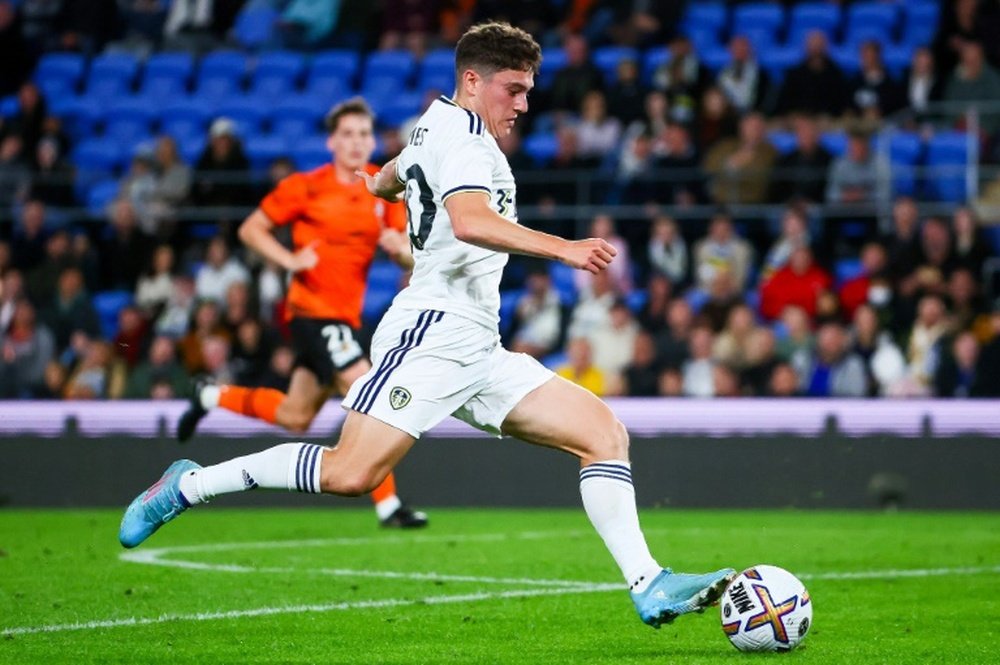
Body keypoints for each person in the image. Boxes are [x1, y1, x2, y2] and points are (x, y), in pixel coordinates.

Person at [120, 22, 734, 628]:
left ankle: (648, 583)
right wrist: (564, 248)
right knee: (351, 473)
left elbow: (391, 175)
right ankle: (189, 485)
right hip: (431, 331)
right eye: (513, 89)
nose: (524, 104)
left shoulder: (432, 122)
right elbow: (467, 220)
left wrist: (377, 184)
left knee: (603, 433)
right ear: (473, 80)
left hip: (479, 345)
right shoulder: (466, 141)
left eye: (527, 91)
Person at [176, 98, 427, 529]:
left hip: (344, 317)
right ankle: (388, 506)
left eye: (364, 134)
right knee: (368, 388)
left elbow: (411, 254)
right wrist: (289, 262)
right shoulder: (305, 187)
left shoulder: (383, 192)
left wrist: (399, 251)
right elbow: (250, 229)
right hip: (312, 313)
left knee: (295, 415)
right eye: (347, 134)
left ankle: (210, 395)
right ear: (332, 141)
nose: (356, 142)